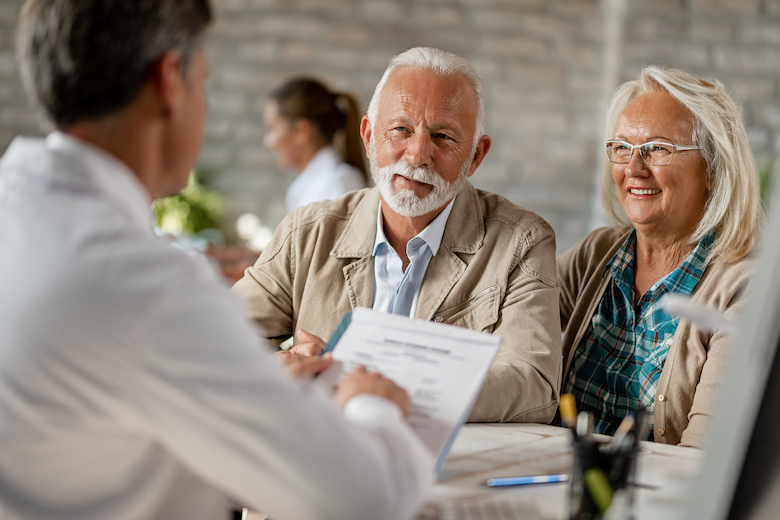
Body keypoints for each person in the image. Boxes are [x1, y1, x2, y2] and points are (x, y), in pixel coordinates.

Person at [0, 2, 433, 520]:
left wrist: (255, 389)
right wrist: (370, 401)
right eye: (202, 81)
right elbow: (369, 497)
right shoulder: (148, 287)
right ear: (168, 82)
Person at [233, 47, 562, 424]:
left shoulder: (522, 243)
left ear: (475, 156)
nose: (418, 154)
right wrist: (279, 366)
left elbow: (534, 384)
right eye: (400, 129)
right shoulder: (305, 232)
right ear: (369, 136)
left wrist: (379, 389)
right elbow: (218, 340)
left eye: (442, 137)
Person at [558, 66, 762, 447]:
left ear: (713, 169)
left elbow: (703, 458)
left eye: (657, 149)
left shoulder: (744, 288)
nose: (634, 169)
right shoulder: (595, 254)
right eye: (622, 148)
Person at [263, 77, 369, 211]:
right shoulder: (311, 185)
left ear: (301, 131)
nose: (268, 142)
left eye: (272, 128)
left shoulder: (338, 184)